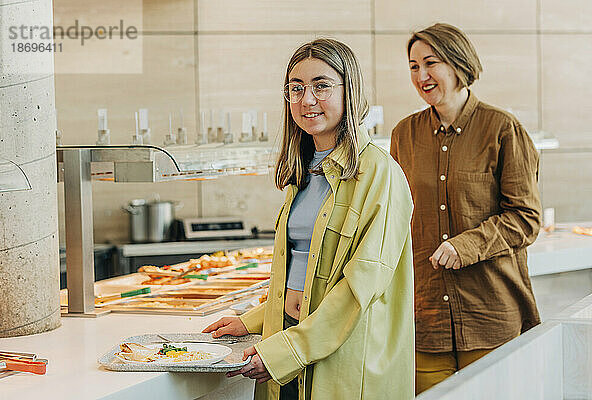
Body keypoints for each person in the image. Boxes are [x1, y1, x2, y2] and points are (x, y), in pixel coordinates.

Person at [203, 38, 414, 400]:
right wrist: (253, 320)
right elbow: (298, 272)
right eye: (296, 89)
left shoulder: (380, 174)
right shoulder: (304, 171)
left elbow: (358, 288)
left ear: (350, 92)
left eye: (321, 86)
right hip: (287, 338)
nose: (307, 100)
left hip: (340, 354)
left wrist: (288, 350)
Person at [389, 23, 542, 395]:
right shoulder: (402, 135)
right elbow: (393, 218)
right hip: (424, 321)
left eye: (431, 62)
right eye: (413, 66)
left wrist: (465, 246)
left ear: (458, 62)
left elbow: (525, 217)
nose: (421, 75)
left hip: (489, 313)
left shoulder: (502, 129)